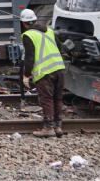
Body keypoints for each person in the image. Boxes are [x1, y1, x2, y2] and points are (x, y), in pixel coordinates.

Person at [21, 8, 66, 137]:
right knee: (58, 98)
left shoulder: (28, 35)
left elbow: (30, 57)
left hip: (45, 72)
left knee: (46, 99)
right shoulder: (50, 31)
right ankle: (58, 127)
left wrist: (26, 75)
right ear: (35, 20)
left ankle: (48, 128)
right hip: (59, 69)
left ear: (23, 23)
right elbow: (60, 47)